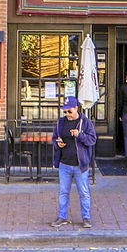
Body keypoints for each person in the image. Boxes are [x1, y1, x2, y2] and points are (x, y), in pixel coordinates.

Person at [49, 96, 96, 228]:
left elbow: (92, 140)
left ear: (76, 108)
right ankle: (62, 217)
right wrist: (58, 143)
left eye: (69, 111)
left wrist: (79, 135)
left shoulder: (85, 122)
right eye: (65, 112)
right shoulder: (61, 122)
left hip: (80, 165)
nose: (67, 114)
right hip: (64, 163)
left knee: (84, 192)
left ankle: (86, 218)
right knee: (64, 192)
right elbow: (54, 138)